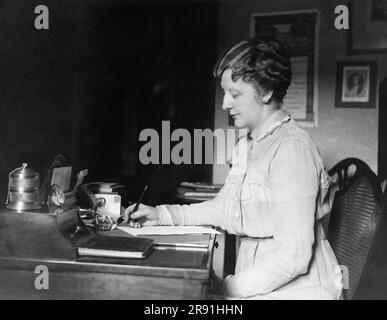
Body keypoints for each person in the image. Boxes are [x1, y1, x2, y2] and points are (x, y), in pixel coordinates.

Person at [124, 37, 343, 300]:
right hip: (260, 284)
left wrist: (227, 289)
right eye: (225, 92)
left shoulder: (291, 150)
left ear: (266, 92)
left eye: (235, 94)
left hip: (299, 292)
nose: (225, 103)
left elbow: (293, 257)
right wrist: (160, 214)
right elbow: (223, 209)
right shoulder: (245, 146)